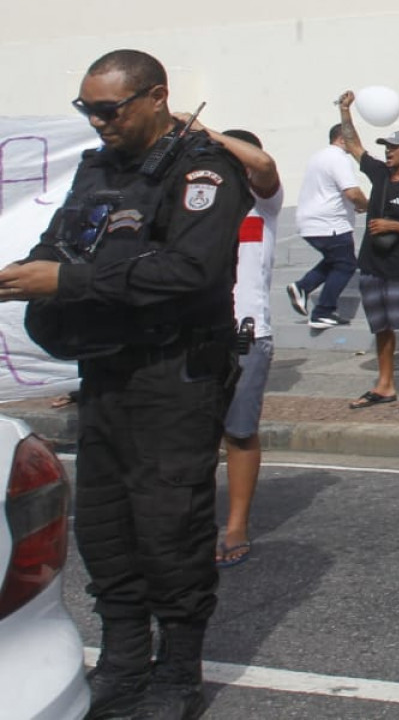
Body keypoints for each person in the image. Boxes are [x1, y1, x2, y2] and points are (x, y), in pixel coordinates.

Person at [1, 49, 251, 720]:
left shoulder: (203, 171)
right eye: (88, 110)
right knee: (107, 526)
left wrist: (70, 282)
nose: (98, 122)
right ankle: (121, 660)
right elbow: (64, 244)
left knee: (170, 524)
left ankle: (177, 670)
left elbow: (191, 271)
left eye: (109, 109)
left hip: (174, 375)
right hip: (106, 372)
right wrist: (31, 272)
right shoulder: (100, 169)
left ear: (155, 97)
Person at [204, 126, 281, 572]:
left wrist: (207, 135)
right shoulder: (199, 204)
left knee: (238, 431)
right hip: (198, 330)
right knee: (193, 435)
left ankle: (235, 526)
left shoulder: (262, 204)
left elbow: (265, 168)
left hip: (247, 333)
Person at [336, 97, 399, 415]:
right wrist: (344, 111)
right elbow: (354, 146)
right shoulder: (379, 174)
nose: (388, 151)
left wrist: (394, 225)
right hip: (371, 263)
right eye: (386, 147)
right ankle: (384, 384)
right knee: (380, 326)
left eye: (394, 147)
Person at [285, 122, 368, 329]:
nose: (357, 143)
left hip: (311, 220)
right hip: (330, 223)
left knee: (335, 261)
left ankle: (302, 287)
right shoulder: (338, 159)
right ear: (342, 139)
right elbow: (352, 192)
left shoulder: (319, 157)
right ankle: (322, 312)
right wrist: (367, 206)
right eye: (353, 138)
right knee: (346, 265)